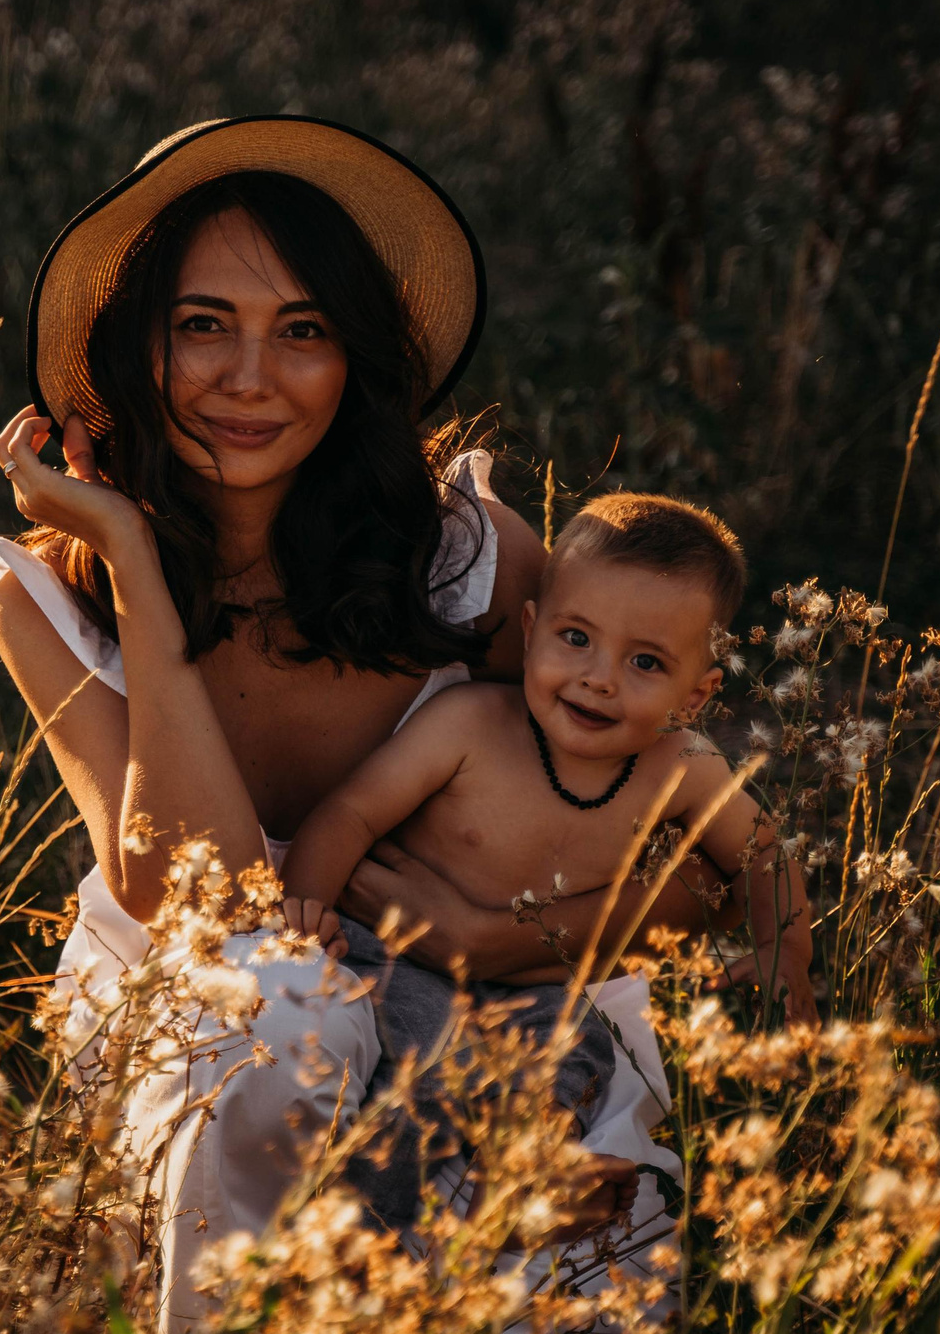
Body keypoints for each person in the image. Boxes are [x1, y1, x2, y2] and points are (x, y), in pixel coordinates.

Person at [0, 116, 699, 1334]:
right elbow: (196, 897)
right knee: (279, 1006)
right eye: (204, 326)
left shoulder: (469, 569)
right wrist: (138, 567)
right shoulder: (48, 597)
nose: (250, 378)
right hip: (193, 1024)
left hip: (467, 998)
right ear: (135, 350)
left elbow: (645, 854)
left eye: (301, 332)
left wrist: (485, 934)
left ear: (354, 360)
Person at [280, 492, 818, 1230]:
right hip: (403, 959)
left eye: (645, 662)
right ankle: (361, 1238)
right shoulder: (469, 725)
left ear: (694, 696)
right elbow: (351, 811)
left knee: (577, 1055)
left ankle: (535, 1173)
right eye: (575, 638)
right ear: (530, 630)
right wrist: (303, 907)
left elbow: (762, 852)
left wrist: (781, 945)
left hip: (541, 991)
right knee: (423, 1073)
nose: (600, 678)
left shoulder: (683, 767)